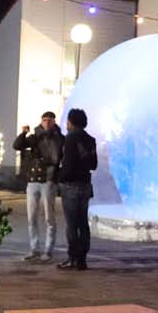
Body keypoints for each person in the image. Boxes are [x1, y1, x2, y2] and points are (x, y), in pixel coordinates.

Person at [13, 111, 64, 261]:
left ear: (54, 122)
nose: (46, 123)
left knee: (49, 217)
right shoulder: (35, 136)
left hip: (49, 180)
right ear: (41, 121)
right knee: (32, 217)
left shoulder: (59, 138)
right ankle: (34, 248)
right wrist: (24, 133)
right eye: (44, 120)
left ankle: (48, 250)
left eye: (49, 120)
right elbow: (17, 145)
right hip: (33, 179)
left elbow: (56, 157)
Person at [56, 108, 97, 270]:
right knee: (83, 222)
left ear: (71, 122)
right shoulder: (91, 140)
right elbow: (93, 165)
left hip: (70, 185)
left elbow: (68, 164)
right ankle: (82, 258)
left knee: (71, 224)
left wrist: (60, 178)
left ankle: (72, 257)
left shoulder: (70, 138)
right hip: (85, 185)